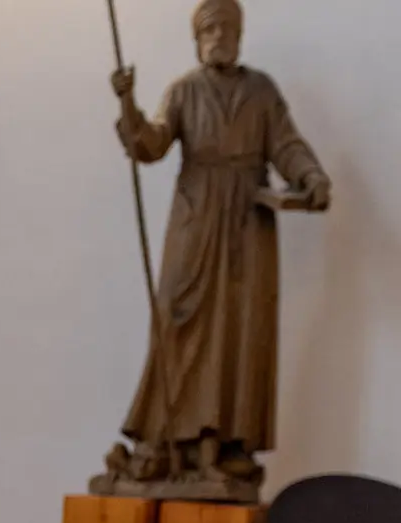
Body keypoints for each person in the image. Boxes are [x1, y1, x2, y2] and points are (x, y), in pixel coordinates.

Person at [102, 0, 329, 493]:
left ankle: (226, 446)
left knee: (241, 330)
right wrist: (127, 103)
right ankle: (164, 442)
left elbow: (286, 145)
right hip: (197, 218)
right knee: (179, 321)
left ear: (240, 34)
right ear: (197, 38)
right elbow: (151, 145)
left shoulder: (262, 91)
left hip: (248, 221)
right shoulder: (184, 91)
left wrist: (310, 176)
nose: (221, 36)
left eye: (229, 27)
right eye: (212, 29)